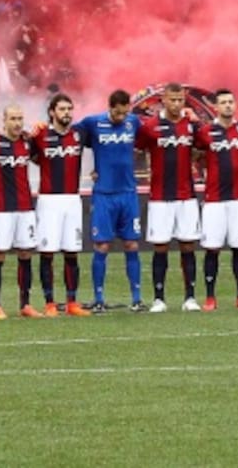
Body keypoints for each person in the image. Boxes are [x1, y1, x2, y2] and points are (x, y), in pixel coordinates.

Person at [136, 82, 203, 313]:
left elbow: (202, 148)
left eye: (180, 100)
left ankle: (190, 298)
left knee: (187, 245)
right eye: (172, 99)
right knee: (160, 247)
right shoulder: (150, 127)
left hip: (187, 196)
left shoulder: (192, 126)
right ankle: (159, 298)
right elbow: (138, 148)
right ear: (163, 99)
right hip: (160, 197)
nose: (176, 104)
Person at [77, 90, 145, 313]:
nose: (121, 117)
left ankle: (136, 299)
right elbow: (69, 134)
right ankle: (98, 298)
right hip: (104, 194)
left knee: (131, 244)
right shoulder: (92, 123)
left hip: (128, 193)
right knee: (102, 245)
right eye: (118, 113)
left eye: (125, 113)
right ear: (110, 107)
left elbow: (148, 139)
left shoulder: (133, 122)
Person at [193, 89, 238, 311]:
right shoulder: (206, 132)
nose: (228, 106)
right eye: (223, 103)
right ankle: (210, 298)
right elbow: (193, 151)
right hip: (214, 200)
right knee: (212, 249)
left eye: (231, 102)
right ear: (215, 107)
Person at [31, 93, 92, 316]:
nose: (66, 113)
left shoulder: (80, 133)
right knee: (47, 253)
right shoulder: (40, 134)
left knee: (71, 252)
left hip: (72, 200)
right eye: (62, 109)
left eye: (69, 109)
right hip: (48, 200)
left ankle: (72, 302)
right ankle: (49, 303)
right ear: (51, 112)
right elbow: (27, 154)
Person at [0, 105, 41, 318]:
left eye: (20, 118)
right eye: (13, 119)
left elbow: (42, 157)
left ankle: (25, 304)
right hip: (2, 209)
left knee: (25, 253)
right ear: (4, 120)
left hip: (25, 208)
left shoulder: (27, 142)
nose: (18, 123)